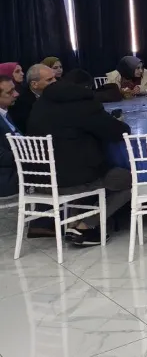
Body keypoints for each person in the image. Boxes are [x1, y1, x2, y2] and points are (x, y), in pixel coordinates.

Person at [27, 69, 132, 246]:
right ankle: (86, 226)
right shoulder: (83, 104)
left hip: (40, 181)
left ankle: (73, 222)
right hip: (70, 183)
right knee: (129, 180)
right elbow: (118, 131)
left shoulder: (39, 103)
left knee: (78, 170)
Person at [9, 63, 56, 131]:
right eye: (49, 79)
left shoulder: (57, 94)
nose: (55, 81)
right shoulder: (21, 103)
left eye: (54, 77)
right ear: (34, 84)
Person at [0, 73, 20, 199]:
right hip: (7, 177)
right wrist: (28, 154)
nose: (16, 94)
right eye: (10, 92)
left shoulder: (5, 114)